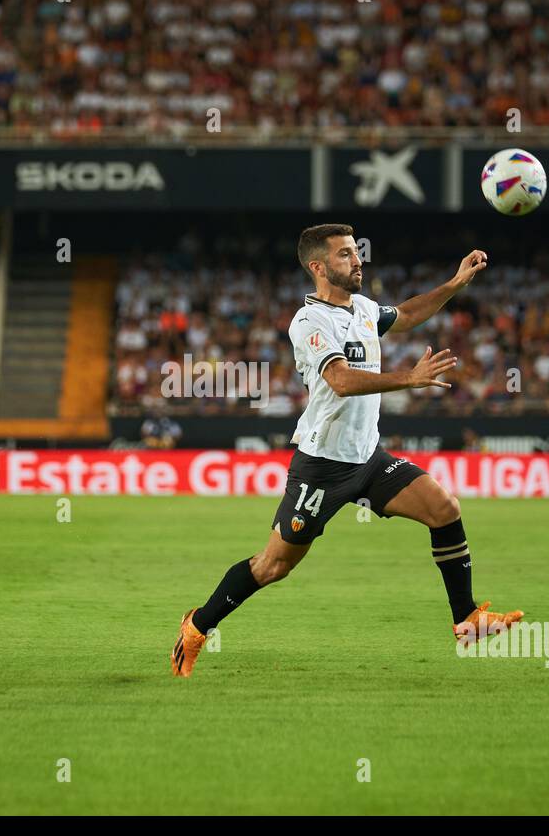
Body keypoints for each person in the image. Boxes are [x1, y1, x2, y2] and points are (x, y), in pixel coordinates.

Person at [170, 224, 523, 677]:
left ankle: (467, 619)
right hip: (322, 467)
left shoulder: (363, 308)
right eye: (344, 255)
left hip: (369, 458)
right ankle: (197, 626)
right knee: (274, 565)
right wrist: (407, 379)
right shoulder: (309, 322)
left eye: (356, 253)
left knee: (444, 507)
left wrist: (454, 284)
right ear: (318, 267)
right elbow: (339, 381)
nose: (357, 261)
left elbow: (408, 314)